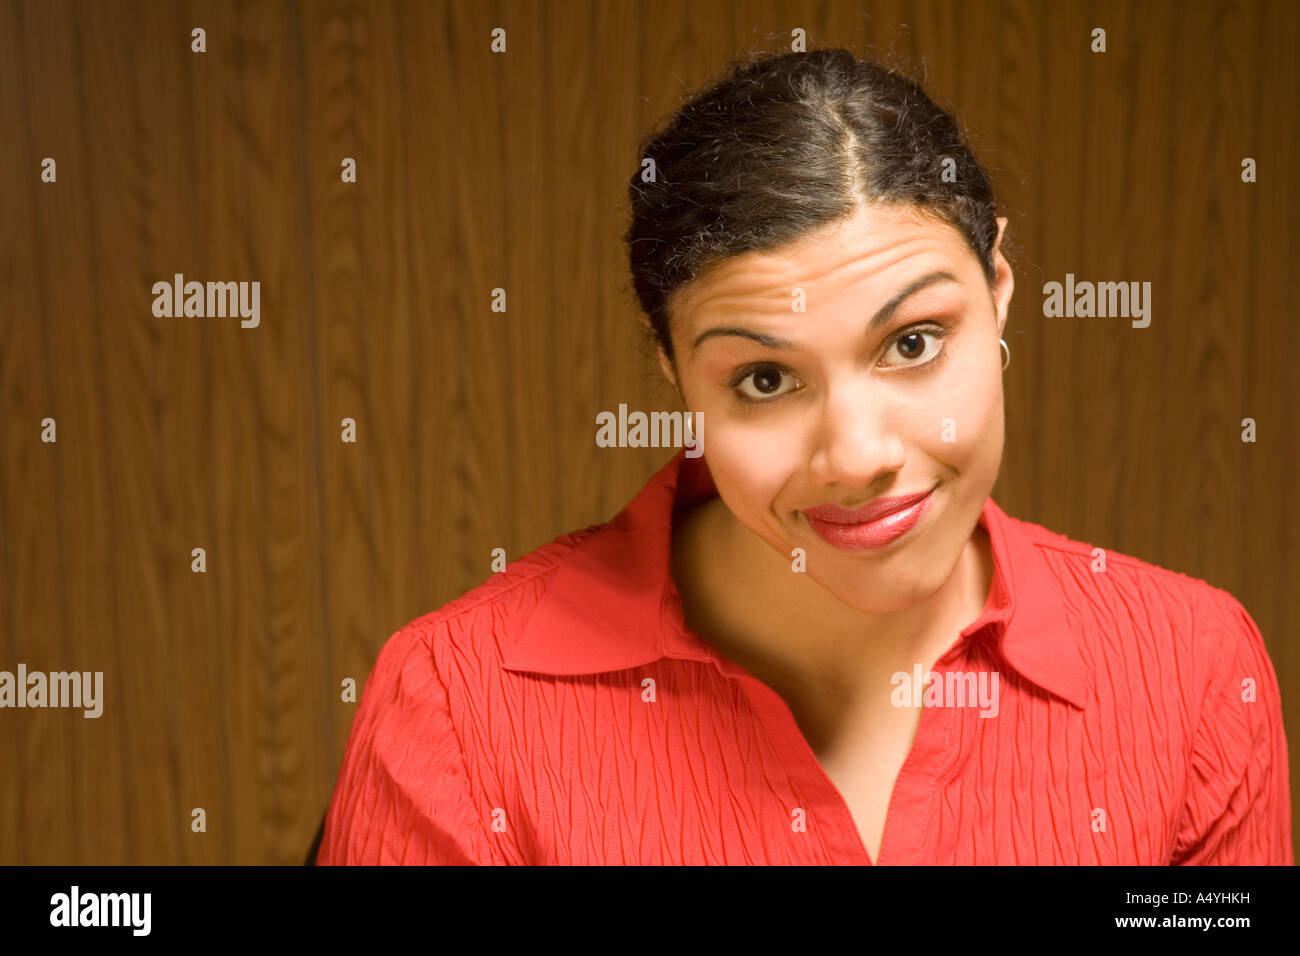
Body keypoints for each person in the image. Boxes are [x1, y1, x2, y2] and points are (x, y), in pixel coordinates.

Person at [314, 47, 1292, 865]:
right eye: (766, 381)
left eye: (912, 342)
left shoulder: (1193, 675)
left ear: (996, 289)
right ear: (674, 371)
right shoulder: (455, 702)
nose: (856, 456)